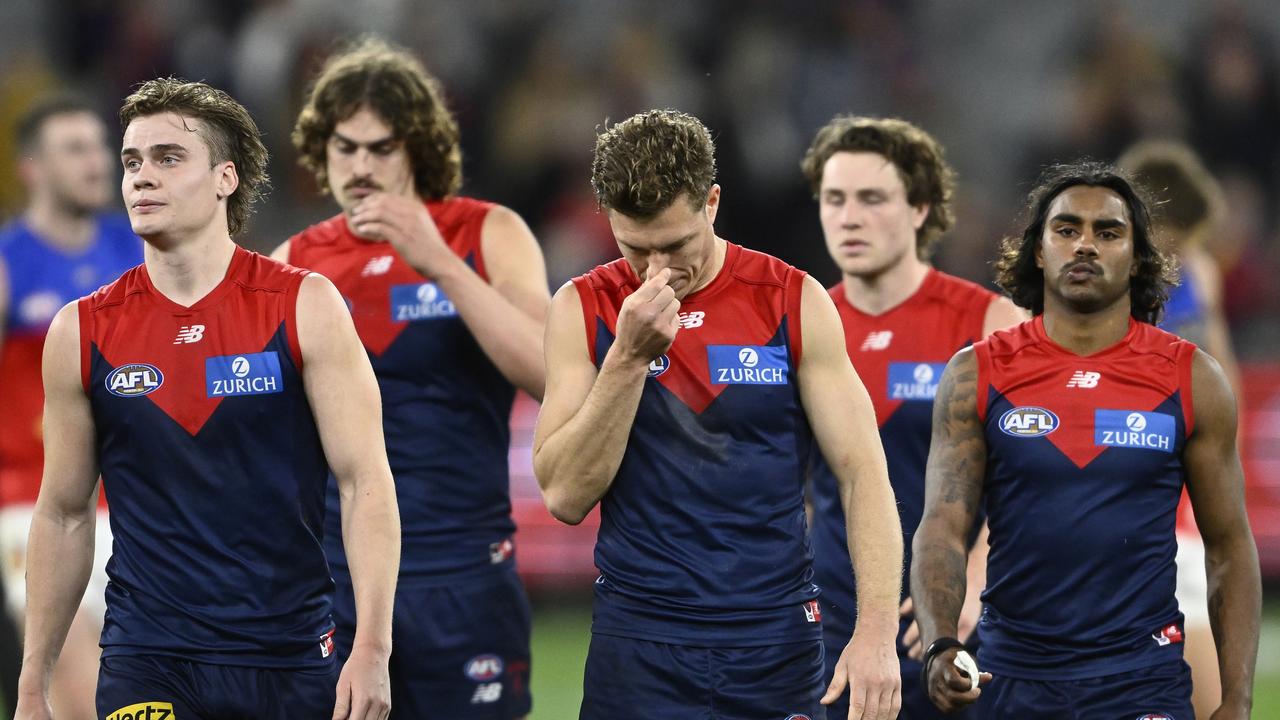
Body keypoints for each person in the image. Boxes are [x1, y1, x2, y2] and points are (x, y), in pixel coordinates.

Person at [13, 78, 400, 720]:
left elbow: (366, 484)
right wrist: (33, 683)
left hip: (288, 655)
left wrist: (373, 648)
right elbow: (64, 514)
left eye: (168, 158)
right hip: (147, 655)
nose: (141, 177)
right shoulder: (81, 329)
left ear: (225, 178)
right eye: (132, 161)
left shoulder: (304, 306)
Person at [534, 108, 903, 720]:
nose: (657, 272)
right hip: (640, 642)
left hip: (775, 641)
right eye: (635, 248)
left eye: (675, 246)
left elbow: (864, 472)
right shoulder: (583, 308)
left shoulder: (791, 299)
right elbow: (566, 495)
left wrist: (874, 634)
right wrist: (627, 359)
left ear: (711, 203)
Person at [912, 160, 1261, 718]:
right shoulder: (976, 372)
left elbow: (1230, 546)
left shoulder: (1193, 377)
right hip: (1013, 678)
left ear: (1139, 256)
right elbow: (944, 527)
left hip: (1142, 680)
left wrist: (1237, 700)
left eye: (1108, 232)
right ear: (1037, 250)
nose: (1085, 246)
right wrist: (940, 642)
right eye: (1067, 229)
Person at [276, 36, 547, 720]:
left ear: (419, 148)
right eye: (345, 148)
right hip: (332, 580)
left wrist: (438, 262)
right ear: (321, 153)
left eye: (382, 147)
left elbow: (550, 372)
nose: (361, 166)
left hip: (461, 572)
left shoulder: (488, 233)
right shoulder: (294, 265)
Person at [799, 115, 1024, 719]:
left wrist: (974, 578)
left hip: (962, 618)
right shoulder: (802, 325)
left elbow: (1028, 479)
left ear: (921, 208)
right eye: (834, 198)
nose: (849, 217)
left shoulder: (989, 324)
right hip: (835, 624)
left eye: (872, 198)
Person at [0, 94, 143, 719]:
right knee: (83, 701)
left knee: (147, 691)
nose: (97, 163)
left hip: (135, 498)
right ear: (32, 167)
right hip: (29, 501)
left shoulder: (138, 249)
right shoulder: (7, 263)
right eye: (75, 149)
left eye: (100, 147)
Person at [1119, 139, 1242, 720]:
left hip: (1175, 473)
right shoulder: (1095, 283)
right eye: (1171, 239)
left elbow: (1222, 372)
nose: (1178, 255)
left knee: (1193, 615)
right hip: (1115, 470)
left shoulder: (1197, 272)